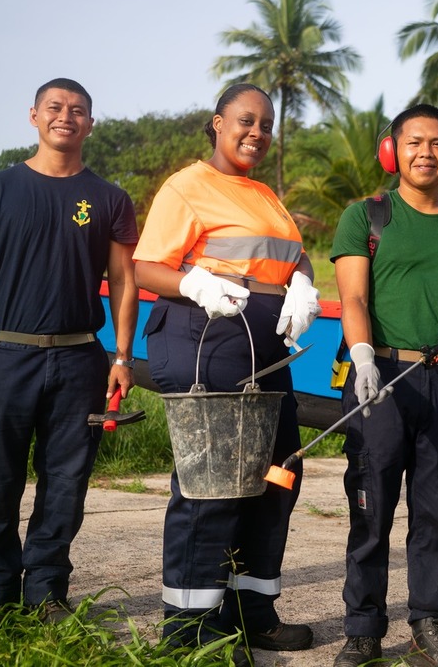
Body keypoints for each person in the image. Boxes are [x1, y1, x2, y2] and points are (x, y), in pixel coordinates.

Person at [0, 78, 139, 635]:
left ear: (90, 124)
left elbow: (123, 280)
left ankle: (47, 592)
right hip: (2, 355)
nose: (66, 117)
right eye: (55, 107)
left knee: (65, 485)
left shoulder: (109, 197)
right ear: (33, 116)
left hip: (80, 360)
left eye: (78, 110)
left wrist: (122, 356)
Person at [133, 84, 322, 663]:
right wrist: (192, 282)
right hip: (208, 347)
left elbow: (292, 253)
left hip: (267, 355)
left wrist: (305, 282)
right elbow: (145, 265)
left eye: (266, 125)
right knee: (211, 485)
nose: (256, 133)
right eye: (245, 121)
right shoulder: (187, 187)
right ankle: (189, 631)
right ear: (217, 124)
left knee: (277, 477)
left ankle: (250, 613)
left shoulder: (266, 194)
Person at [330, 103, 438, 667]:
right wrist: (360, 355)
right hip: (380, 379)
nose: (425, 153)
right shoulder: (367, 216)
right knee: (370, 506)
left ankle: (431, 625)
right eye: (413, 143)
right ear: (392, 151)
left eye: (437, 144)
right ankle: (362, 629)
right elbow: (352, 297)